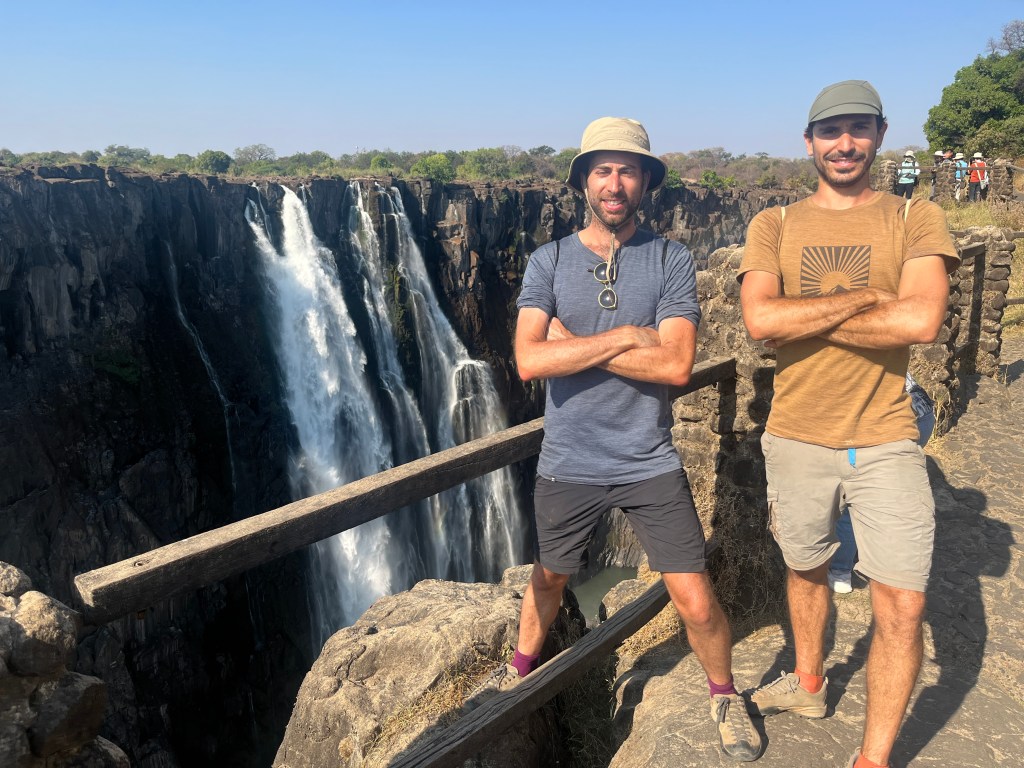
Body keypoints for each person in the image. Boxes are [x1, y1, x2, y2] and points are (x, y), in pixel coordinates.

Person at [465, 117, 763, 762]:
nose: (615, 183)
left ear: (646, 182)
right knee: (549, 577)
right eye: (602, 169)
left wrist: (574, 345)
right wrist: (631, 336)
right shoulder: (549, 260)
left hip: (647, 458)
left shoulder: (670, 259)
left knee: (694, 596)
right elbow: (526, 361)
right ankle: (517, 669)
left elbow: (677, 367)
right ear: (583, 182)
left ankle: (725, 692)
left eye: (628, 170)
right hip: (568, 459)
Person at [737, 80, 959, 768]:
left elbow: (921, 320)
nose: (844, 143)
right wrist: (865, 296)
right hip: (796, 436)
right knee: (805, 568)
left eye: (858, 128)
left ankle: (873, 758)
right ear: (809, 143)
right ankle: (808, 683)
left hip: (887, 437)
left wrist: (808, 317)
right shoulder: (772, 224)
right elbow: (759, 321)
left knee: (901, 605)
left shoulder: (914, 217)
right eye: (830, 131)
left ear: (880, 135)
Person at [828, 373, 936, 593]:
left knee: (850, 497)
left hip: (884, 415)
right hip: (920, 408)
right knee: (885, 491)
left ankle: (840, 571)